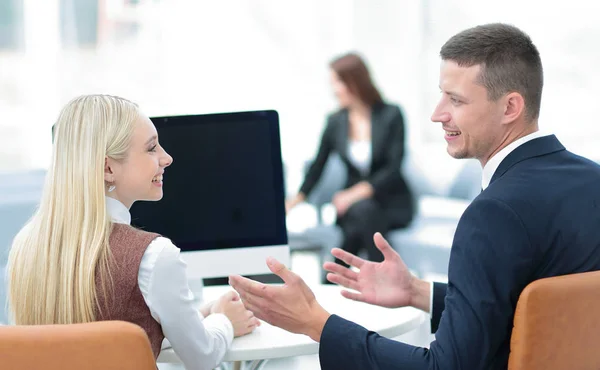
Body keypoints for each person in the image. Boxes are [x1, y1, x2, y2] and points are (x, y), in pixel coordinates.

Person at [229, 23, 600, 369]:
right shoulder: (592, 179)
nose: (438, 114)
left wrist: (316, 322)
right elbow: (537, 311)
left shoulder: (493, 213)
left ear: (510, 107)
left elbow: (444, 366)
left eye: (456, 100)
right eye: (441, 95)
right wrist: (416, 291)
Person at [7, 95, 260, 370]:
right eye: (152, 148)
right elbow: (203, 357)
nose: (167, 157)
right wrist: (224, 320)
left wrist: (200, 315)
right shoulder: (153, 257)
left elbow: (94, 341)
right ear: (108, 168)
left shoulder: (25, 245)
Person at [286, 52, 414, 266]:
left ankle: (335, 276)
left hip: (390, 202)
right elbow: (318, 166)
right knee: (363, 213)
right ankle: (383, 273)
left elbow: (393, 168)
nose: (334, 89)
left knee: (361, 220)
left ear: (355, 81)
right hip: (353, 208)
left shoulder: (391, 115)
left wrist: (353, 194)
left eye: (338, 82)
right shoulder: (335, 122)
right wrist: (295, 201)